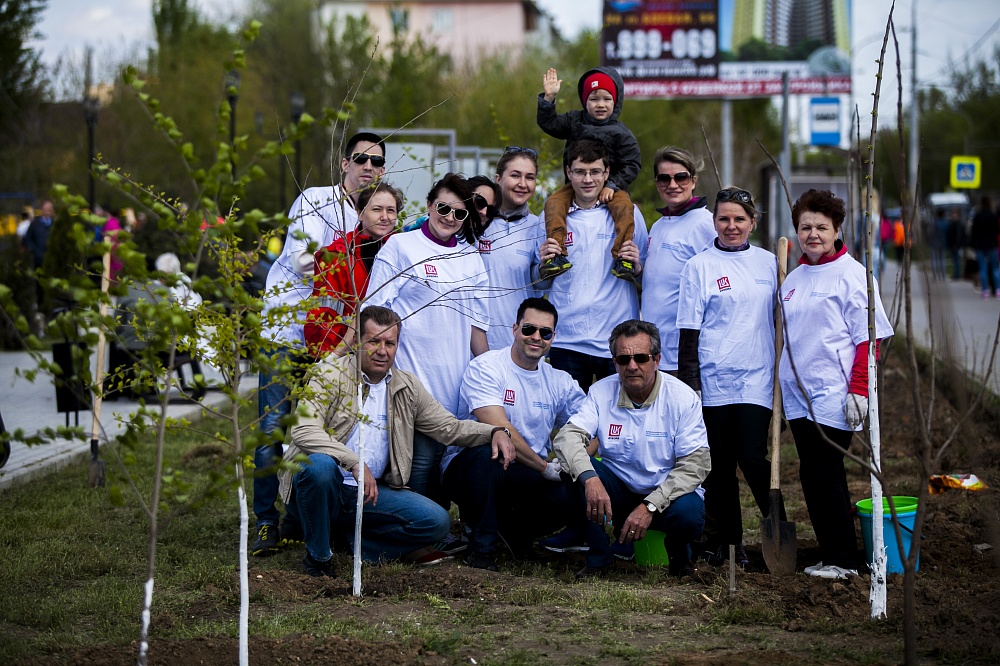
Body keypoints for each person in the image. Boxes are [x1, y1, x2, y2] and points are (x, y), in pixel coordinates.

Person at [280, 306, 516, 576]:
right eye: (374, 341)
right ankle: (319, 558)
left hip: (372, 493)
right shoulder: (329, 374)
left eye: (389, 343)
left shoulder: (406, 385)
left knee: (437, 522)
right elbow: (303, 430)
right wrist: (354, 461)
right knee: (319, 467)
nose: (382, 350)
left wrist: (494, 431)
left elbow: (449, 427)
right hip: (327, 485)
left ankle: (348, 541)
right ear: (357, 342)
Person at [252, 131, 387, 557]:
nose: (368, 167)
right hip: (286, 334)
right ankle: (265, 523)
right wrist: (353, 246)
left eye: (377, 161)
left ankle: (298, 517)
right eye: (361, 159)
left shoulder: (372, 217)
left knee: (318, 433)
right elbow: (303, 261)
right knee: (273, 430)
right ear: (344, 163)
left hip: (333, 345)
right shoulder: (316, 200)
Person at [779, 189, 893, 580]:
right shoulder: (794, 278)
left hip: (833, 395)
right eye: (805, 227)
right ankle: (834, 554)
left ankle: (844, 559)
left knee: (825, 473)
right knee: (814, 475)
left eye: (821, 227)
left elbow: (869, 338)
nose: (813, 234)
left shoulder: (853, 276)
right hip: (798, 397)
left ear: (837, 229)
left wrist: (859, 389)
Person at [365, 173, 490, 504]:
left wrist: (488, 379)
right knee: (419, 462)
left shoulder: (472, 259)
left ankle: (435, 532)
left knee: (442, 462)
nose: (450, 217)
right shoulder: (401, 247)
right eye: (443, 208)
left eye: (459, 213)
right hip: (413, 378)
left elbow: (478, 330)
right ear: (429, 205)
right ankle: (422, 537)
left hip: (455, 381)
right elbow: (375, 312)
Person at [553, 319, 710, 578]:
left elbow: (696, 464)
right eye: (623, 359)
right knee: (575, 472)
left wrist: (650, 506)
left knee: (689, 510)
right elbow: (567, 438)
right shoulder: (600, 391)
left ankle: (680, 557)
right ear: (615, 362)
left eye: (641, 357)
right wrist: (591, 479)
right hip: (617, 494)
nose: (632, 366)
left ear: (657, 360)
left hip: (666, 497)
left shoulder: (683, 398)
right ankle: (599, 559)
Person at [675, 187, 779, 567]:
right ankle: (727, 544)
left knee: (753, 458)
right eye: (723, 219)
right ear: (714, 222)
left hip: (757, 379)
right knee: (718, 467)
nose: (731, 226)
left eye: (739, 219)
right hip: (714, 381)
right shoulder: (699, 266)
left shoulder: (771, 263)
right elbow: (688, 332)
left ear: (753, 222)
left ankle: (775, 527)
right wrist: (692, 385)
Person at [442, 298, 585, 571]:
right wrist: (545, 467)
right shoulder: (487, 366)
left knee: (574, 487)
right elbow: (498, 425)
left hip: (526, 471)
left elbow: (591, 426)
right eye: (529, 329)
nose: (536, 337)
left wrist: (569, 462)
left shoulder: (558, 380)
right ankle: (481, 549)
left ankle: (513, 534)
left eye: (545, 333)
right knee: (492, 451)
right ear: (515, 329)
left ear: (553, 337)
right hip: (473, 467)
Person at [538, 140, 647, 392]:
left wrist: (638, 267)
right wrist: (542, 265)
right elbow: (540, 281)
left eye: (595, 172)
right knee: (571, 424)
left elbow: (644, 275)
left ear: (606, 173)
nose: (588, 179)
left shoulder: (629, 214)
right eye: (580, 172)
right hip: (566, 339)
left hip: (617, 340)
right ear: (568, 172)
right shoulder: (551, 218)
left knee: (621, 422)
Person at [537, 67, 641, 281]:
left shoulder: (622, 133)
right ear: (585, 101)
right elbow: (549, 124)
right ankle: (556, 254)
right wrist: (548, 99)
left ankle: (624, 257)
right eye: (594, 99)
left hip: (612, 187)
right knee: (554, 204)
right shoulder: (575, 121)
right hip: (574, 186)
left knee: (624, 208)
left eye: (607, 99)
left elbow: (633, 163)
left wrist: (613, 184)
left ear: (616, 102)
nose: (600, 104)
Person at [304, 182, 403, 357]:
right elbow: (322, 316)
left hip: (391, 356)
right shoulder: (337, 256)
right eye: (377, 209)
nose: (385, 216)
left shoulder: (404, 252)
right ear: (359, 213)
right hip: (346, 356)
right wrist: (329, 362)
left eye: (391, 210)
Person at [641, 147, 716, 374]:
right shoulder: (659, 224)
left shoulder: (706, 224)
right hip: (655, 351)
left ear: (693, 180)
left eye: (680, 177)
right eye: (664, 178)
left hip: (685, 355)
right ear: (657, 183)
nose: (672, 185)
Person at [477, 148, 546, 350]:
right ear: (498, 178)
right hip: (471, 341)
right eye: (515, 175)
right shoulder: (476, 220)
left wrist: (547, 267)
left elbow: (540, 284)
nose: (522, 184)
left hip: (517, 344)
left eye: (530, 177)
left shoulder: (538, 225)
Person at [970, 195, 999, 298]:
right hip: (992, 244)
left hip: (980, 245)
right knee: (995, 268)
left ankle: (985, 290)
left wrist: (973, 244)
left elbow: (973, 232)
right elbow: (996, 230)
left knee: (983, 268)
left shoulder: (977, 216)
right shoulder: (993, 216)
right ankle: (997, 290)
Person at [946, 207, 967, 280]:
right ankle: (956, 273)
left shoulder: (958, 224)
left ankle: (957, 274)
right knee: (955, 260)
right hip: (953, 245)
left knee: (957, 260)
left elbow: (959, 235)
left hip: (956, 245)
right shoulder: (952, 223)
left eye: (955, 214)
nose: (953, 215)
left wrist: (957, 244)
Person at [929, 207, 948, 281]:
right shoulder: (945, 223)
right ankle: (943, 275)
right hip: (943, 243)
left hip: (934, 243)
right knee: (942, 260)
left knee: (934, 260)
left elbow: (931, 233)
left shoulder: (935, 223)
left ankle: (935, 275)